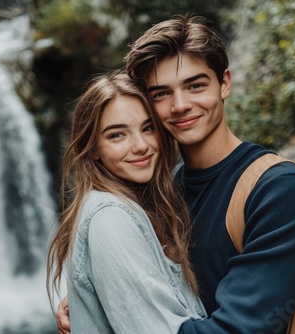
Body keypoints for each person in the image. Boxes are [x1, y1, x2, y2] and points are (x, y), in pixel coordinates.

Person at [56, 15, 295, 333]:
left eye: (195, 85)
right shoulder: (161, 192)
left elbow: (240, 329)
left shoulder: (282, 192)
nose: (180, 105)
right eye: (161, 93)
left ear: (224, 83)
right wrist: (97, 295)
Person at [46, 69, 207, 334]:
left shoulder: (149, 203)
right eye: (117, 135)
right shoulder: (110, 218)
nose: (141, 145)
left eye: (147, 128)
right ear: (94, 149)